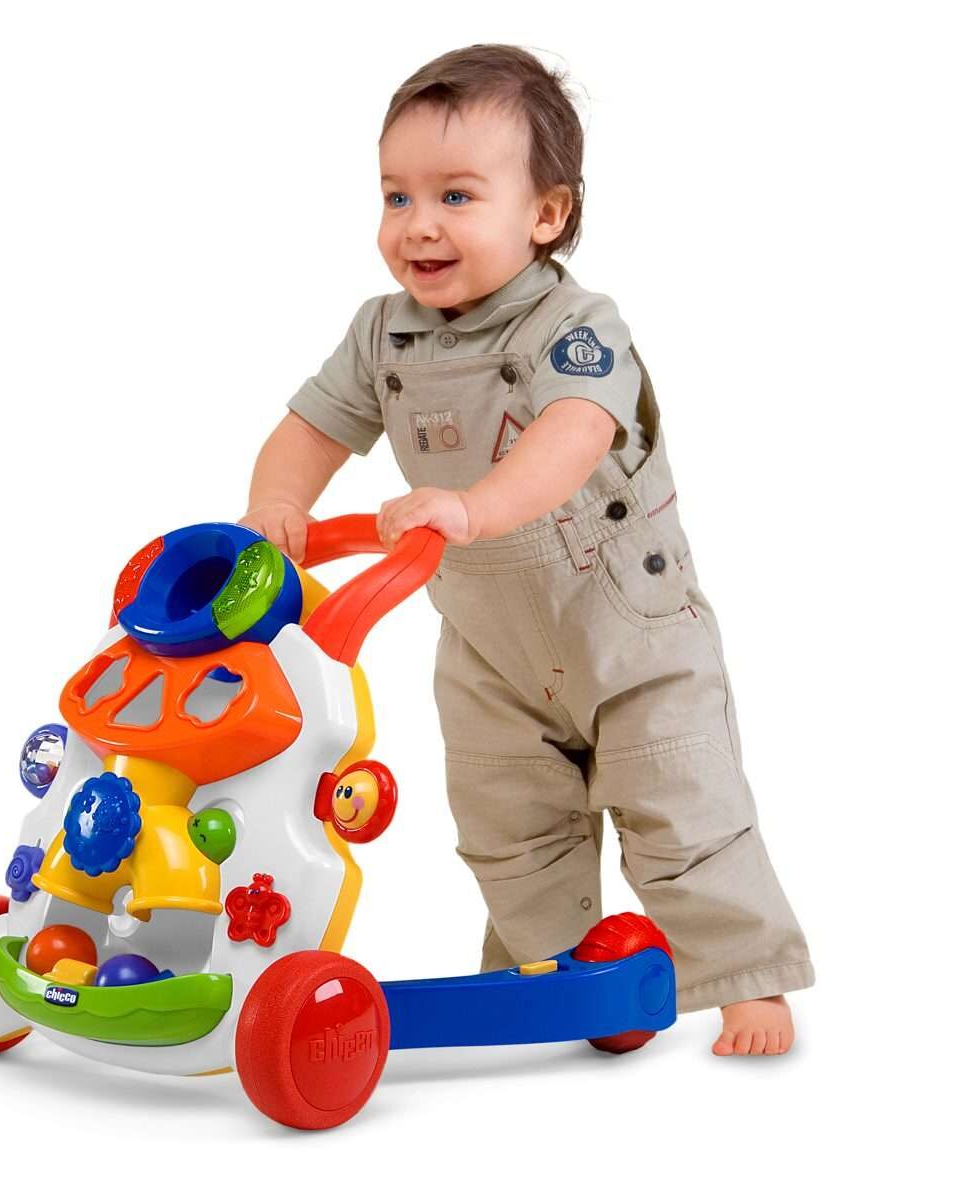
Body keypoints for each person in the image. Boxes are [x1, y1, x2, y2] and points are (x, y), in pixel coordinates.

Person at [240, 44, 813, 1056]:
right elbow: (309, 429)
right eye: (396, 195)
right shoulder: (381, 335)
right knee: (507, 821)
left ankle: (746, 981)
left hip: (627, 629)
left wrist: (473, 507)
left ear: (545, 214)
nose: (418, 224)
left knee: (680, 803)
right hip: (488, 641)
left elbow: (572, 436)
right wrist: (276, 506)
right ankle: (560, 975)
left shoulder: (577, 325)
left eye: (456, 196)